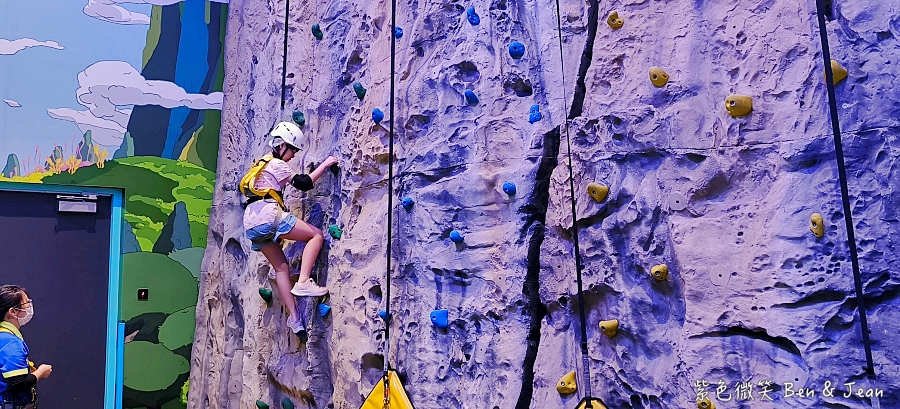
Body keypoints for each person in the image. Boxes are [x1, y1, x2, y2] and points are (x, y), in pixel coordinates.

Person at [243, 122, 338, 334]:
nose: (294, 155)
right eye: (293, 149)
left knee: (281, 268)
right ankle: (304, 281)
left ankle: (295, 320)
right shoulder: (276, 164)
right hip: (269, 215)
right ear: (282, 145)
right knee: (316, 235)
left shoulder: (259, 165)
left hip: (251, 222)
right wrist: (326, 164)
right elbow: (304, 183)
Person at [0, 285, 51, 409]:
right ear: (12, 311)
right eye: (26, 303)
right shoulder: (10, 342)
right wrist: (40, 372)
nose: (29, 306)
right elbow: (17, 383)